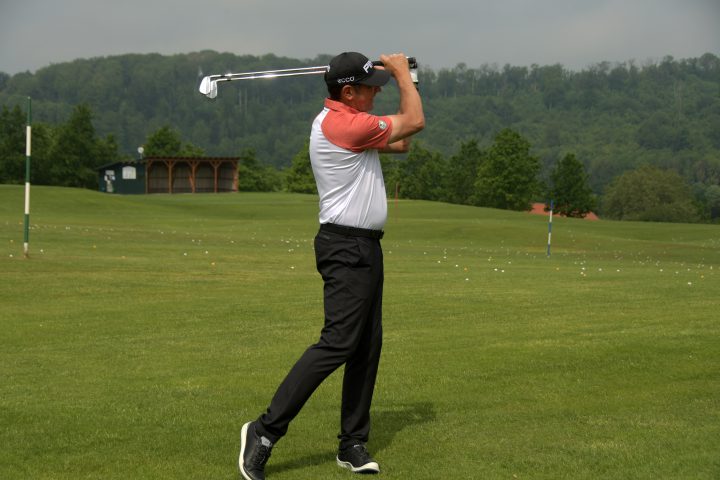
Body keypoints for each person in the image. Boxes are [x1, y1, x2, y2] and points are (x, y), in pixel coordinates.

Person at [238, 51, 425, 480]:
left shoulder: (354, 124)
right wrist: (401, 75)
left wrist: (407, 78)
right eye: (370, 87)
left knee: (366, 346)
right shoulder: (343, 124)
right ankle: (264, 431)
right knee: (339, 342)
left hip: (365, 249)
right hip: (345, 247)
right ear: (347, 92)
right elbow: (414, 122)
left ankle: (352, 444)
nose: (377, 93)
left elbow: (403, 141)